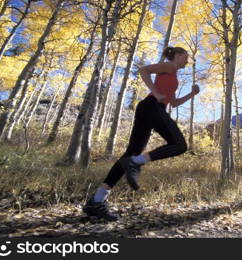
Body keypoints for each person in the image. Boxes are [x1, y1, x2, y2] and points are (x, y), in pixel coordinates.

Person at [83, 46, 200, 221]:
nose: (187, 61)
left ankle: (96, 201)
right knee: (179, 145)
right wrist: (155, 92)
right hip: (151, 106)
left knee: (131, 153)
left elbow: (173, 103)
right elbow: (144, 70)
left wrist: (192, 93)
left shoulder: (173, 75)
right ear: (177, 55)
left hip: (151, 108)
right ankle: (135, 162)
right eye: (185, 57)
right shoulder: (169, 66)